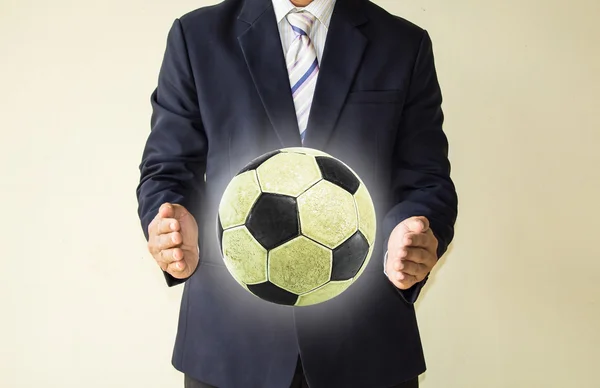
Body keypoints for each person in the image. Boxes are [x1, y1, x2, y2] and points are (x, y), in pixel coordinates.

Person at [136, 0, 458, 386]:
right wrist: (169, 222)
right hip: (231, 348)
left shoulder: (404, 44)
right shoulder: (196, 37)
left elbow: (426, 178)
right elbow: (167, 169)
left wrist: (413, 233)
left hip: (366, 347)